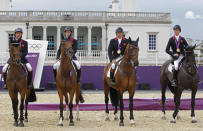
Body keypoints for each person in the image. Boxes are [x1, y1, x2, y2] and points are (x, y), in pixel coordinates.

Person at [53, 27, 84, 103]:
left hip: (72, 58)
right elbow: (59, 50)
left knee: (78, 66)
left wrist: (70, 55)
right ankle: (56, 80)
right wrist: (57, 57)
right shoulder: (63, 41)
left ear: (71, 33)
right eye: (66, 32)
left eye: (69, 32)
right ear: (65, 33)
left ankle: (77, 80)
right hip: (63, 59)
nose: (67, 33)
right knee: (54, 66)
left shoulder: (74, 41)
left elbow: (75, 49)